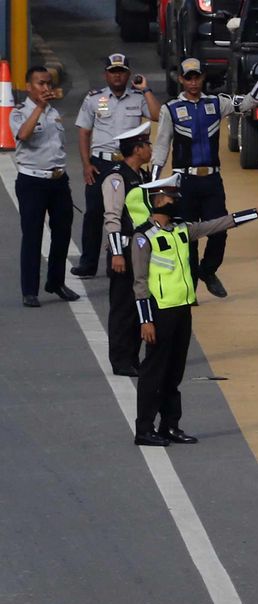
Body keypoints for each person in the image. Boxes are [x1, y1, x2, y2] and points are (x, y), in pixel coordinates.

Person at [130, 175, 258, 446]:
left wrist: (256, 212)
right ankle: (144, 429)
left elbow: (216, 225)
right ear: (159, 200)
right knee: (153, 372)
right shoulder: (143, 238)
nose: (177, 202)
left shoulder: (181, 229)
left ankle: (169, 426)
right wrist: (146, 321)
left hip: (182, 310)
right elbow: (139, 283)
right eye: (172, 198)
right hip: (160, 312)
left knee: (174, 373)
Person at [151, 57, 258, 299]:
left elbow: (248, 104)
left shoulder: (217, 103)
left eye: (197, 77)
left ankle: (208, 271)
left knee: (219, 230)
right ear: (180, 79)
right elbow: (161, 148)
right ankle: (188, 288)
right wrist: (154, 185)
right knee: (185, 236)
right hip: (183, 182)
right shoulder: (170, 110)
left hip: (212, 181)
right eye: (188, 77)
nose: (193, 82)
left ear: (202, 78)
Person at [71, 52, 159, 278]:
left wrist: (146, 89)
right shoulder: (94, 99)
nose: (117, 76)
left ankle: (116, 260)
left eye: (121, 72)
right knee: (94, 214)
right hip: (100, 164)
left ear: (128, 74)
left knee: (124, 214)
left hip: (129, 165)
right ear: (106, 75)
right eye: (113, 72)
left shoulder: (138, 99)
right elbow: (84, 132)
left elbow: (158, 115)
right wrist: (86, 164)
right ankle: (88, 263)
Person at [12, 66, 78, 308]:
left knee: (62, 233)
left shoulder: (54, 112)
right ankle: (29, 290)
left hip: (58, 180)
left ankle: (56, 282)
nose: (46, 88)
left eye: (48, 84)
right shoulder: (20, 112)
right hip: (32, 182)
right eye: (40, 83)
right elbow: (24, 135)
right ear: (29, 87)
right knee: (32, 236)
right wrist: (38, 108)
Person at [101, 123, 154, 376]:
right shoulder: (116, 177)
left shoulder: (142, 176)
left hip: (140, 250)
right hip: (123, 249)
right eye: (147, 145)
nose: (150, 149)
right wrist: (117, 253)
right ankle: (121, 360)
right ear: (137, 148)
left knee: (137, 306)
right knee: (122, 307)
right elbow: (112, 216)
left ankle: (132, 357)